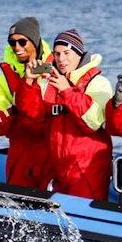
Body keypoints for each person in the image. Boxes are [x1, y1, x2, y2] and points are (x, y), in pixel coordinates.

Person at [11, 29, 113, 199]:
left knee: (82, 218)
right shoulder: (50, 81)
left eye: (67, 53)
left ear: (79, 54)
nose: (61, 59)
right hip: (58, 168)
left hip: (87, 168)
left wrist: (67, 91)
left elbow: (93, 122)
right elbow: (30, 112)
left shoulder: (98, 83)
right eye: (57, 54)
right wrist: (28, 82)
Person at [0, 17, 53, 188]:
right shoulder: (0, 76)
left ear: (34, 41)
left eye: (22, 42)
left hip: (53, 153)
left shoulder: (58, 66)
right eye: (12, 42)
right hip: (21, 154)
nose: (17, 48)